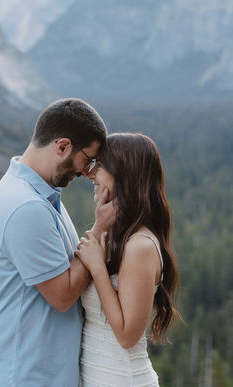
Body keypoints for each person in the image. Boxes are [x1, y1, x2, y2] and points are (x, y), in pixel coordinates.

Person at [0, 98, 114, 387]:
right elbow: (62, 295)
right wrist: (100, 229)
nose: (88, 172)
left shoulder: (34, 193)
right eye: (88, 159)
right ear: (62, 146)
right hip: (22, 375)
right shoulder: (27, 206)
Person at [76, 132, 180, 387]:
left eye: (100, 165)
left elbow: (127, 336)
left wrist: (99, 268)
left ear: (123, 174)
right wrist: (100, 226)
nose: (91, 174)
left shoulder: (140, 246)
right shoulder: (117, 238)